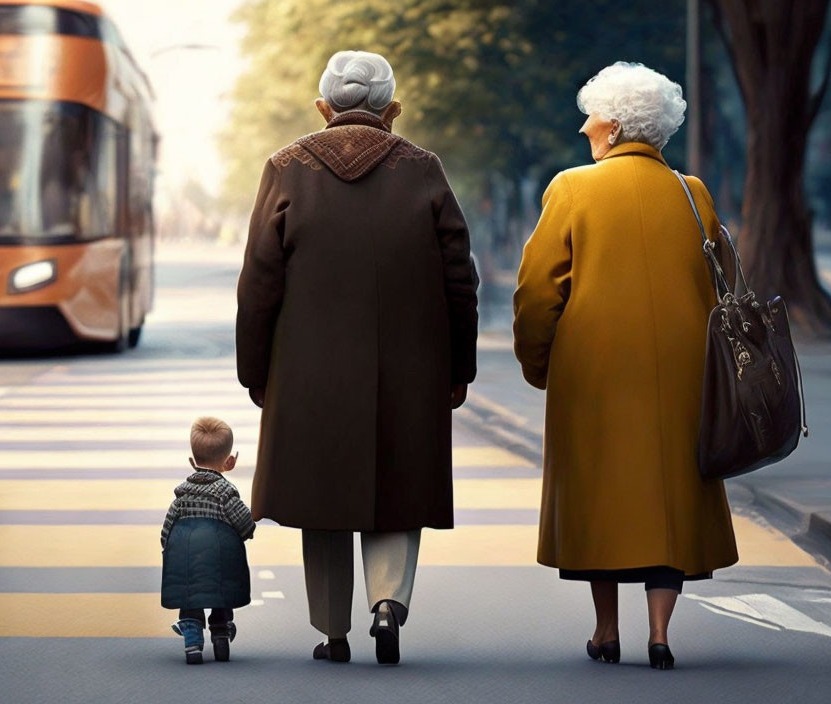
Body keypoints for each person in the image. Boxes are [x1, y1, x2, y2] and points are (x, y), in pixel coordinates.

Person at [236, 50, 478, 665]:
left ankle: (333, 631)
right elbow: (459, 278)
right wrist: (459, 366)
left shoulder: (286, 168)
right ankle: (388, 602)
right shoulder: (424, 169)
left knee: (322, 497)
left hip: (308, 372)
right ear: (391, 111)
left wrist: (256, 369)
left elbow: (259, 281)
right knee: (396, 484)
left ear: (324, 109)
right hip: (411, 368)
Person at [512, 62, 738, 670]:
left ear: (612, 125)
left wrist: (539, 362)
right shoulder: (693, 194)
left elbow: (538, 291)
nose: (585, 125)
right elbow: (727, 286)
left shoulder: (572, 188)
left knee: (601, 495)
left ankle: (606, 630)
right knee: (671, 496)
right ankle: (660, 634)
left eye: (592, 115)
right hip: (686, 371)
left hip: (595, 373)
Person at [160, 417, 255, 665]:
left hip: (187, 564)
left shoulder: (181, 494)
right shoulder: (226, 493)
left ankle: (192, 638)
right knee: (220, 591)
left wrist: (168, 552)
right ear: (230, 462)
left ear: (192, 462)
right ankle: (221, 632)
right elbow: (245, 524)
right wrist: (246, 533)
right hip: (219, 562)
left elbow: (167, 531)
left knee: (190, 593)